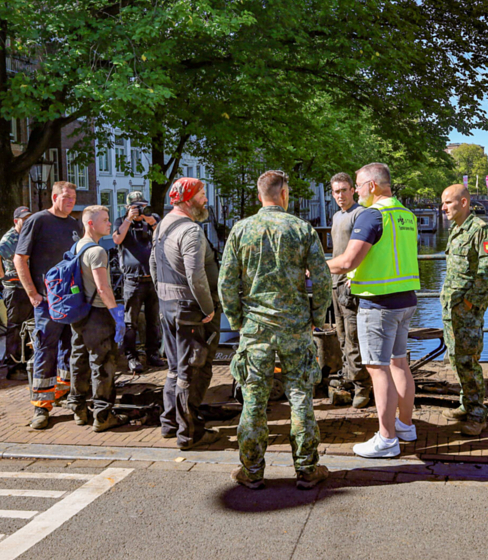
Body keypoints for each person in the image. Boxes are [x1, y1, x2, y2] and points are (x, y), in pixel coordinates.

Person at [219, 170, 332, 490]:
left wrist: (238, 321)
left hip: (256, 328)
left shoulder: (241, 230)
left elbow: (226, 283)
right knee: (300, 397)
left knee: (253, 400)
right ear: (284, 194)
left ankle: (252, 470)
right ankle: (307, 468)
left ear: (260, 196)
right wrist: (317, 316)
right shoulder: (301, 229)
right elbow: (322, 280)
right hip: (295, 326)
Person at [327, 162, 419, 459]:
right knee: (399, 363)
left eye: (359, 185)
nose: (357, 190)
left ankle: (387, 439)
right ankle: (405, 425)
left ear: (373, 186)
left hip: (378, 303)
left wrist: (313, 267)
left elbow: (347, 262)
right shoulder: (405, 215)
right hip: (405, 300)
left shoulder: (371, 215)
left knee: (377, 369)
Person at [150, 177, 222, 450]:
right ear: (189, 198)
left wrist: (162, 297)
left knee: (174, 367)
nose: (205, 199)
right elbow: (195, 274)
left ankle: (169, 423)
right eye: (202, 194)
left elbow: (153, 263)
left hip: (168, 306)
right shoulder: (191, 231)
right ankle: (189, 433)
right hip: (190, 309)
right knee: (193, 369)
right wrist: (209, 308)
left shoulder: (162, 226)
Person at [14, 181, 84, 430]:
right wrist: (32, 293)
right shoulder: (38, 221)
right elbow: (19, 258)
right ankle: (41, 407)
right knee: (45, 348)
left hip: (71, 300)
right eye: (66, 197)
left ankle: (63, 394)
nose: (71, 201)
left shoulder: (74, 224)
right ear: (54, 197)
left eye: (73, 197)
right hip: (47, 301)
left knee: (69, 347)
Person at [439, 183, 488, 436]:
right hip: (451, 308)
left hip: (466, 310)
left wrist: (470, 302)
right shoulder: (457, 229)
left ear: (464, 202)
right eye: (443, 203)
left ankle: (477, 414)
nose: (443, 208)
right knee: (456, 358)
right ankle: (467, 404)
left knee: (467, 359)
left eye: (448, 202)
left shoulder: (480, 230)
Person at [69, 205, 125, 432]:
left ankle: (79, 410)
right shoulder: (97, 252)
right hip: (98, 314)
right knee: (102, 363)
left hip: (79, 312)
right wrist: (116, 314)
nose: (110, 223)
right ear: (90, 223)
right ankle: (102, 415)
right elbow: (103, 288)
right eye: (105, 219)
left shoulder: (76, 247)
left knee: (78, 359)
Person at [328, 172, 372, 408]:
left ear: (352, 190)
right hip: (335, 283)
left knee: (354, 337)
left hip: (350, 285)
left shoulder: (361, 214)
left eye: (345, 190)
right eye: (336, 191)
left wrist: (354, 277)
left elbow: (364, 251)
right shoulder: (336, 216)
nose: (341, 195)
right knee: (341, 335)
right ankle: (349, 377)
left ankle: (362, 387)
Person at [113, 191, 162, 373]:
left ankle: (153, 353)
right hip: (133, 280)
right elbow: (117, 239)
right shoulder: (121, 221)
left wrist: (153, 223)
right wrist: (129, 219)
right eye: (136, 206)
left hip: (153, 279)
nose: (141, 209)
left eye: (143, 205)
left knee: (153, 320)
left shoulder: (152, 219)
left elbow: (163, 240)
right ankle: (131, 356)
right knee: (130, 321)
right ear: (128, 207)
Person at [0, 206, 34, 377]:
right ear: (16, 221)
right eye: (24, 220)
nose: (28, 222)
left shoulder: (26, 236)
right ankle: (14, 368)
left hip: (26, 288)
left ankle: (25, 362)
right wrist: (3, 277)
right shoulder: (11, 237)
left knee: (25, 327)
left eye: (30, 219)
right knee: (16, 329)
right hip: (16, 290)